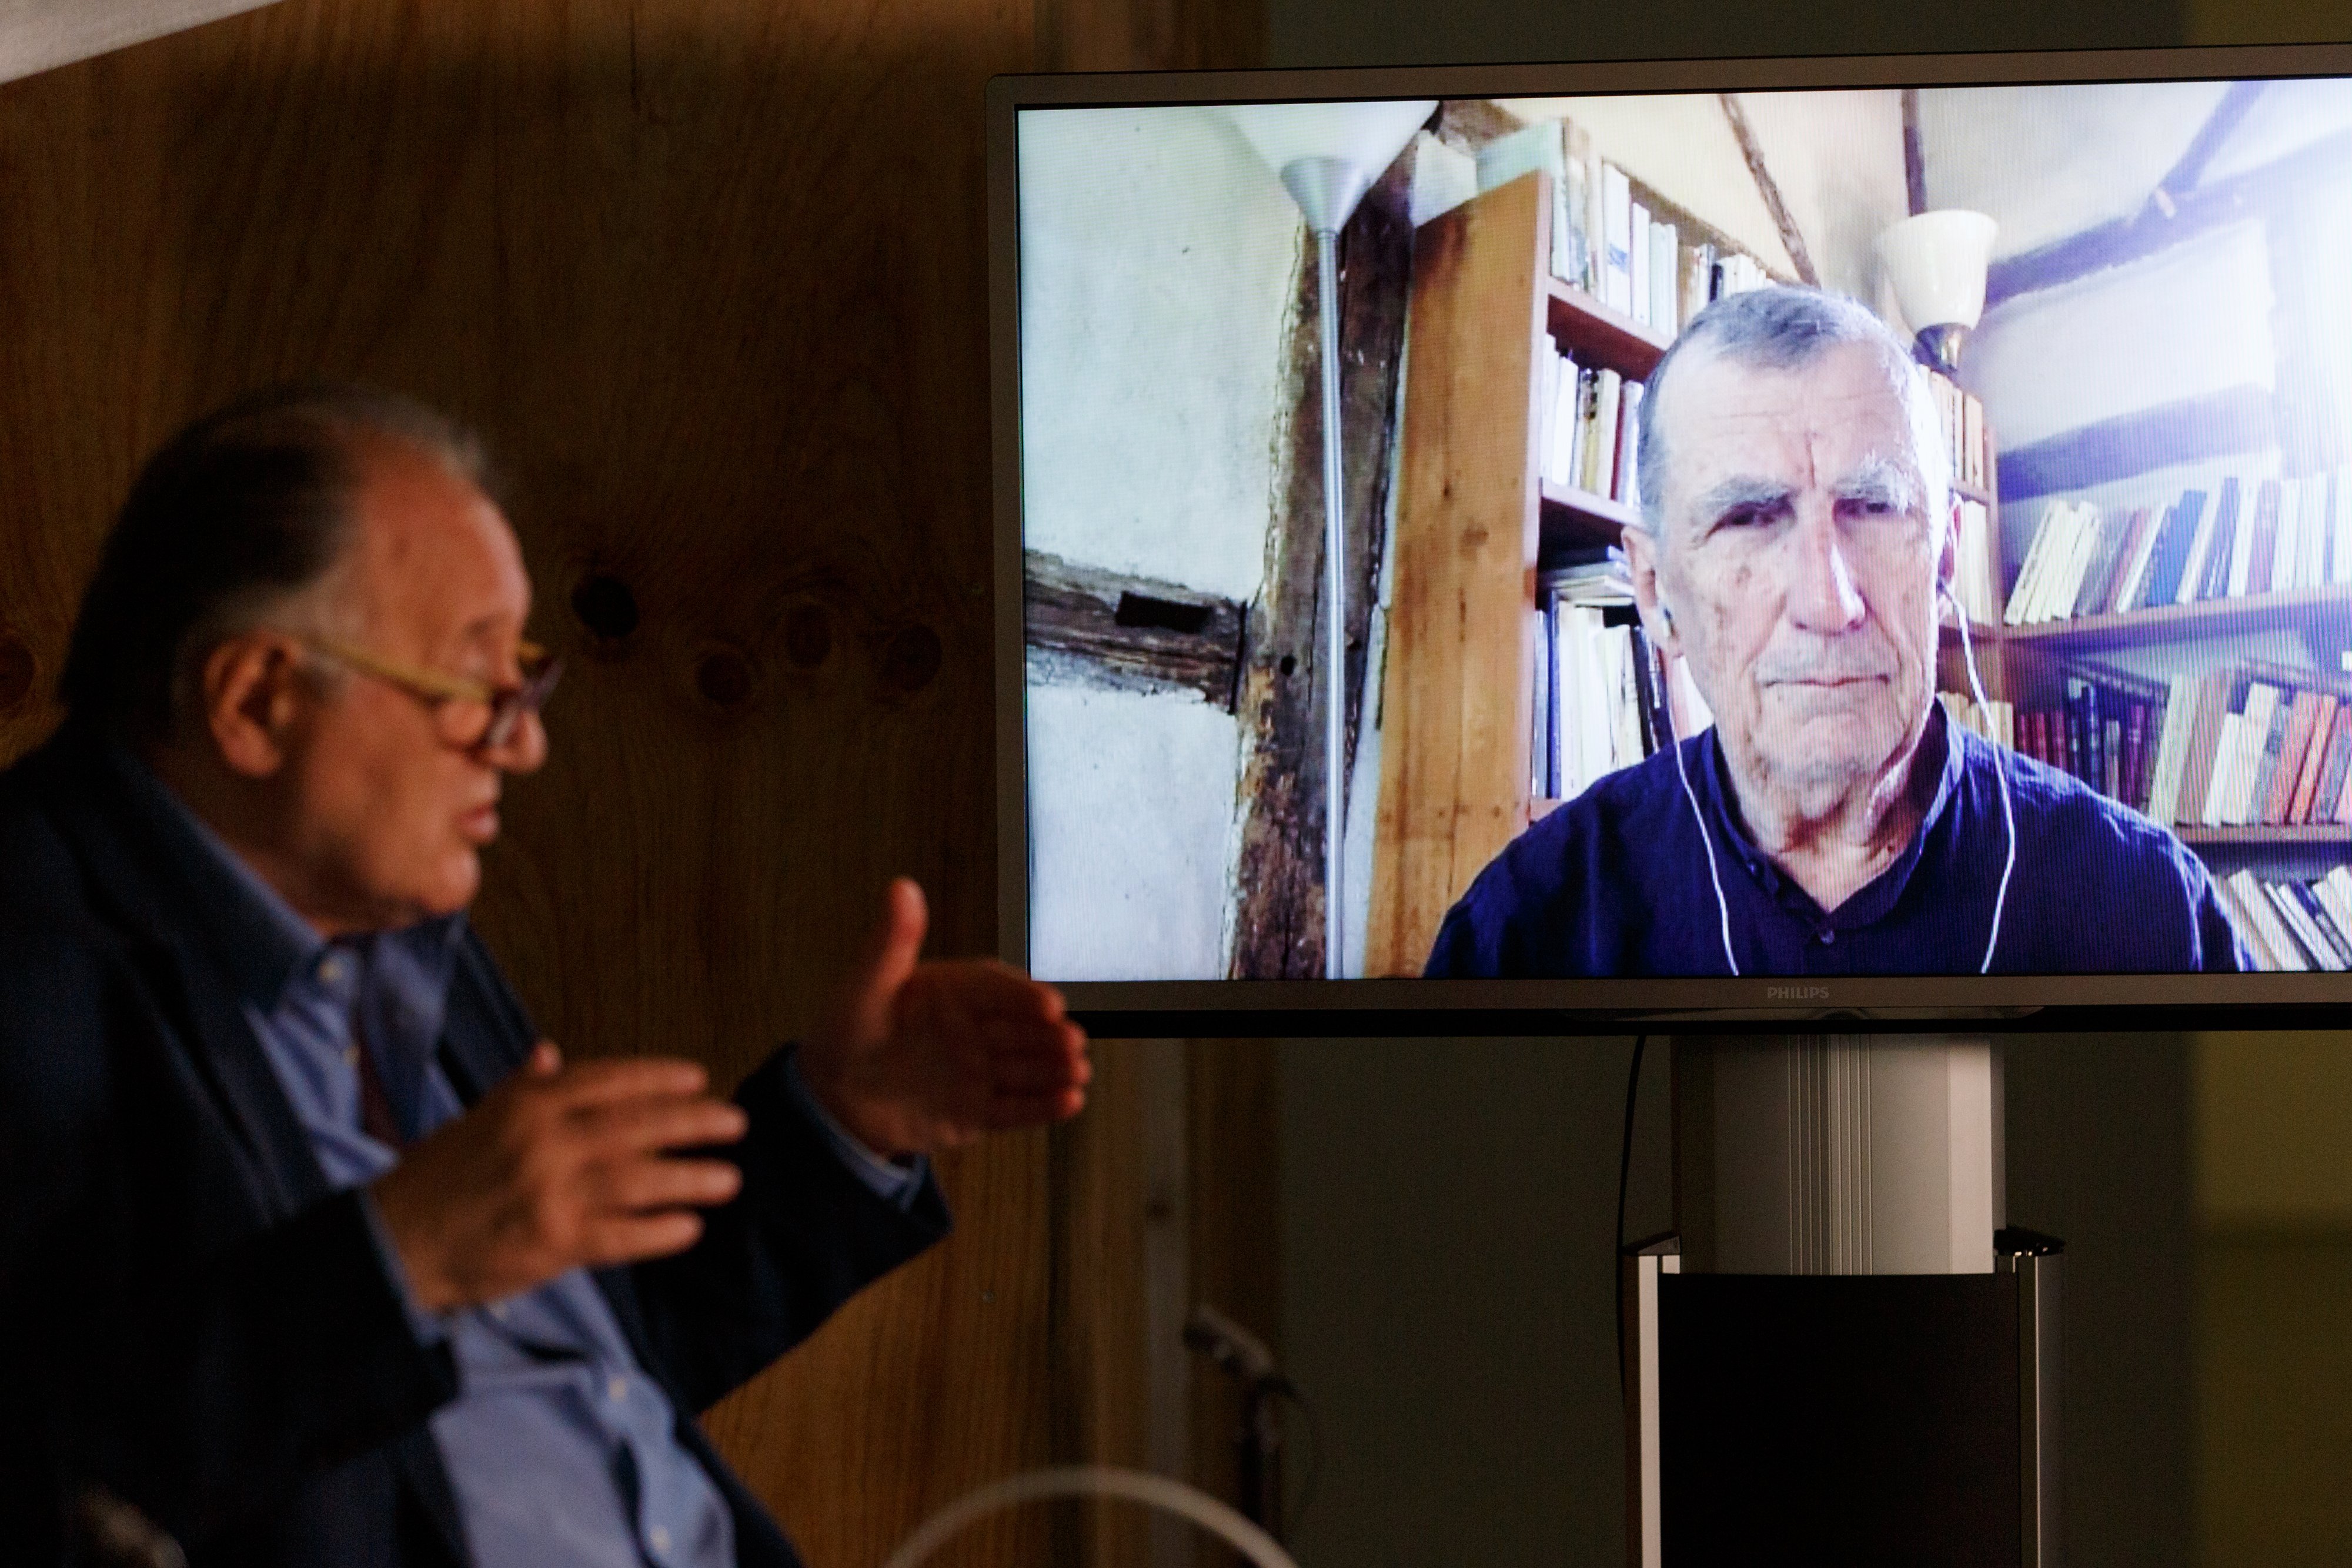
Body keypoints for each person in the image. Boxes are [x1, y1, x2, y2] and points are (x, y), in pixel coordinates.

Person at [0, 384, 1091, 1567]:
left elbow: (592, 1365)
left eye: (524, 677)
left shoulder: (409, 936)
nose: (524, 740)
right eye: (473, 684)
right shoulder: (34, 952)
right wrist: (395, 1260)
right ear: (256, 698)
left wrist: (839, 1127)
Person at [1425, 286, 2246, 978]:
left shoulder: (2149, 913)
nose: (1830, 600)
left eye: (1874, 507)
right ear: (1653, 590)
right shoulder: (1526, 934)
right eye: (1748, 519)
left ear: (1946, 553)